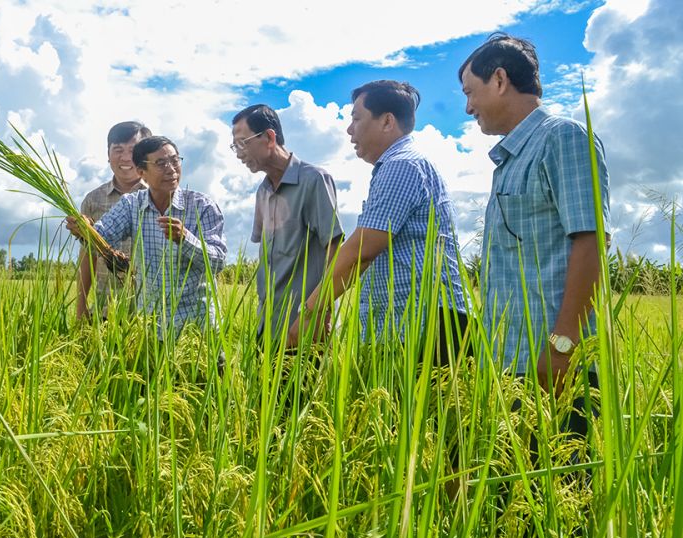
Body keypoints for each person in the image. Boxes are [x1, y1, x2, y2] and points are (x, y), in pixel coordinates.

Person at [459, 33, 609, 411]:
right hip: (511, 363)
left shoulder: (563, 137)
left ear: (499, 80)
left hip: (555, 362)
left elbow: (592, 242)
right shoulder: (511, 160)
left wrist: (563, 346)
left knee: (565, 470)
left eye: (469, 92)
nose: (467, 107)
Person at [292, 80, 468, 363]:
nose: (349, 130)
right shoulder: (403, 164)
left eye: (356, 118)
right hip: (414, 325)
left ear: (387, 121)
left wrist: (310, 312)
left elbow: (361, 251)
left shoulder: (402, 165)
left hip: (425, 327)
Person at [66, 135, 227, 335]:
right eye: (161, 163)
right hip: (152, 331)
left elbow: (218, 263)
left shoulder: (202, 206)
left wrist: (185, 239)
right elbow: (102, 237)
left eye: (175, 160)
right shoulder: (131, 205)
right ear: (142, 173)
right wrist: (85, 231)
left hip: (198, 332)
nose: (171, 169)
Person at [231, 105, 344, 347]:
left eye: (242, 143)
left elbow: (333, 249)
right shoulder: (262, 191)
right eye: (235, 147)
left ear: (269, 138)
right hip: (269, 325)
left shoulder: (313, 179)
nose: (239, 153)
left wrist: (320, 313)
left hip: (305, 326)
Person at [76, 121, 151, 320]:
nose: (126, 157)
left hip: (150, 316)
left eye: (133, 150)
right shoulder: (94, 200)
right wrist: (81, 309)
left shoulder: (159, 197)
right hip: (104, 312)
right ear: (108, 154)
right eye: (118, 149)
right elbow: (87, 257)